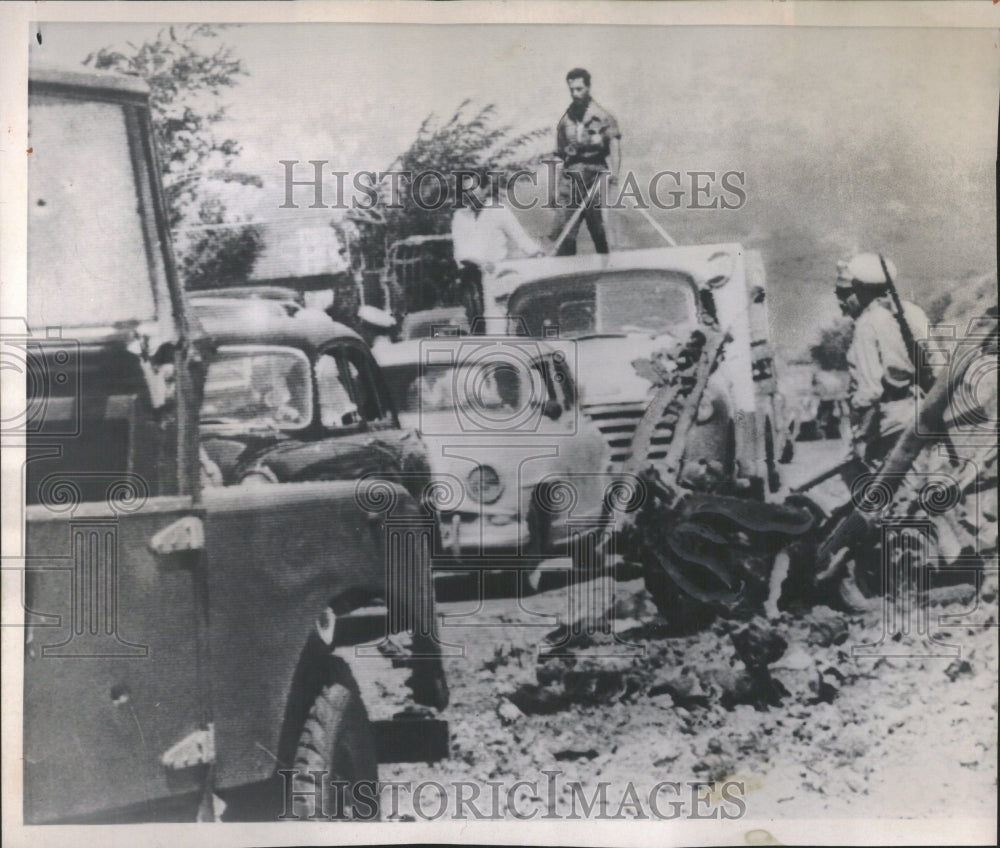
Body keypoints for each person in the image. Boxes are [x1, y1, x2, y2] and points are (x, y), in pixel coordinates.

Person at [836, 251, 931, 467]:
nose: (842, 303)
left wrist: (860, 439)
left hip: (890, 424)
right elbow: (936, 361)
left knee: (885, 493)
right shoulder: (913, 312)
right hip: (924, 414)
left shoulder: (867, 325)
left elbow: (871, 392)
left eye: (844, 294)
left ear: (859, 290)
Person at [451, 170, 544, 326]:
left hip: (497, 275)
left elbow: (521, 238)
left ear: (485, 188)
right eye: (465, 191)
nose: (470, 194)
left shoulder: (499, 210)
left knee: (501, 321)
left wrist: (537, 253)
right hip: (472, 280)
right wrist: (481, 264)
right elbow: (461, 251)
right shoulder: (460, 216)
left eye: (473, 188)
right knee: (478, 325)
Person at [550, 67, 622, 255]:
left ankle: (608, 273)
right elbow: (559, 155)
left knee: (601, 232)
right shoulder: (566, 120)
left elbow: (614, 145)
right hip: (571, 179)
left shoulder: (603, 116)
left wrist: (615, 175)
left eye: (579, 89)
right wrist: (554, 187)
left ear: (588, 87)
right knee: (566, 233)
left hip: (595, 178)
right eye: (572, 90)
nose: (575, 94)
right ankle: (565, 279)